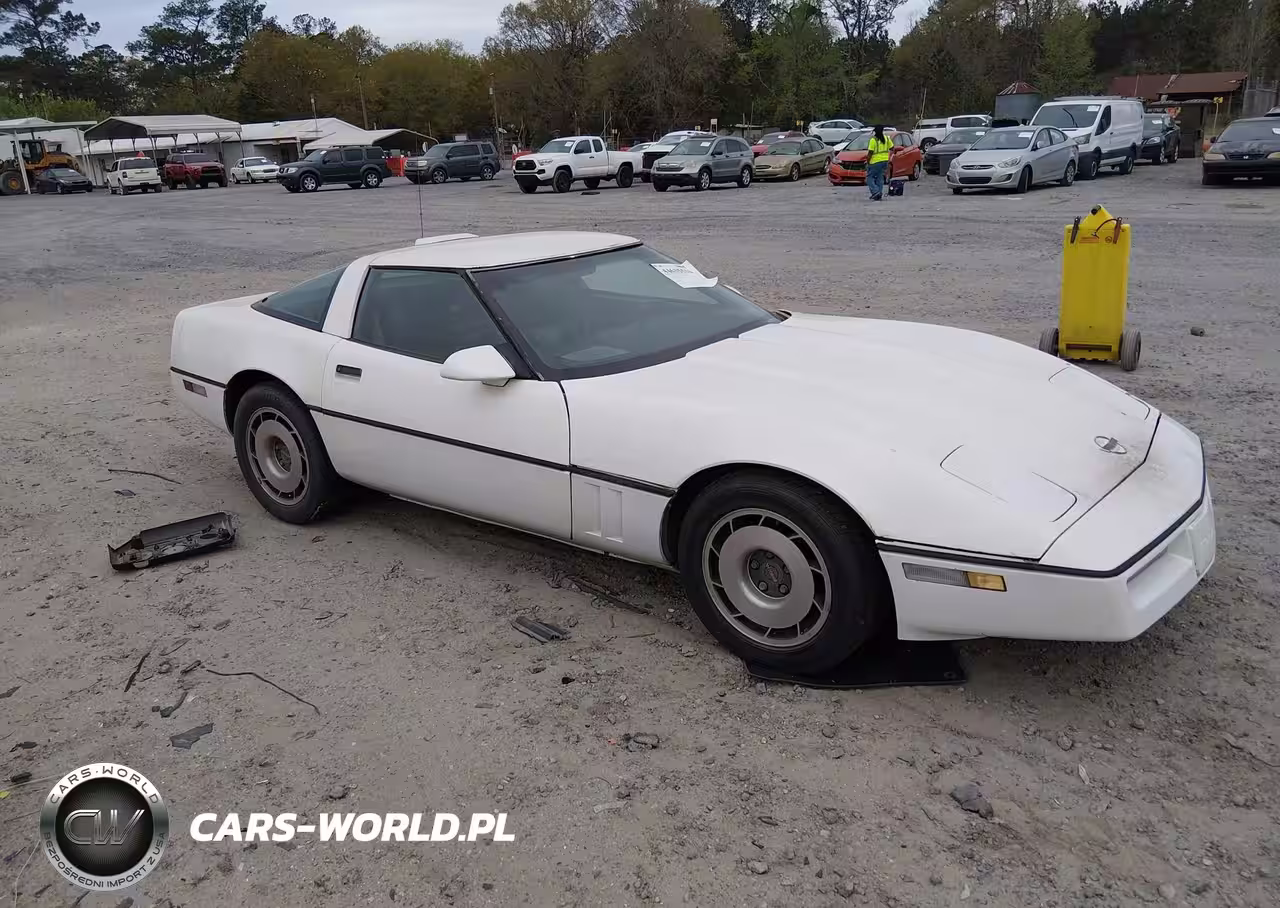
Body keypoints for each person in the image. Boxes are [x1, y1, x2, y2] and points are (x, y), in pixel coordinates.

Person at [866, 125, 893, 201]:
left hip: (875, 162)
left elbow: (870, 152)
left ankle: (875, 192)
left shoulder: (873, 140)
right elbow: (892, 148)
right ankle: (879, 194)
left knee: (869, 178)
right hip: (884, 161)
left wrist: (868, 161)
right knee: (880, 178)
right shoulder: (886, 138)